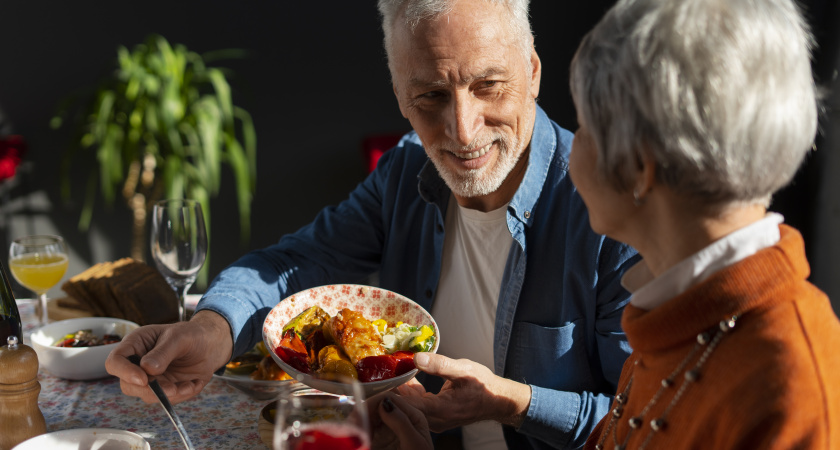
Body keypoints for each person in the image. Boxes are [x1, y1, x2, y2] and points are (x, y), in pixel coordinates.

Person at [105, 0, 639, 448]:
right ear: (400, 96)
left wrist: (512, 403)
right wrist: (210, 331)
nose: (462, 129)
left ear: (533, 71)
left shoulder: (615, 211)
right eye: (431, 96)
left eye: (489, 85)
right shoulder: (405, 171)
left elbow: (648, 421)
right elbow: (295, 263)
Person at [371, 0, 840, 448]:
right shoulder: (675, 313)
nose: (568, 145)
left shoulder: (793, 382)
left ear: (640, 165)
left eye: (587, 128)